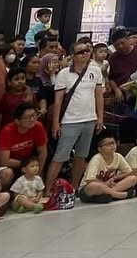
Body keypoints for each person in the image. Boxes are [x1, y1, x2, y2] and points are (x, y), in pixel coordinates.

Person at [45, 42, 104, 193]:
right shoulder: (64, 74)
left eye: (87, 50)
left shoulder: (95, 71)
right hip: (70, 121)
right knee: (60, 156)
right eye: (80, 52)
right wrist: (56, 124)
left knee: (81, 156)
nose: (85, 53)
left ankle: (75, 187)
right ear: (73, 56)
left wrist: (100, 117)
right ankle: (47, 190)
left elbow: (98, 95)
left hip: (89, 119)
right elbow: (58, 101)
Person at [79, 133, 137, 203]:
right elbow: (89, 180)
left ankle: (111, 193)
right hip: (88, 189)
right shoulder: (96, 159)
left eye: (113, 143)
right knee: (95, 186)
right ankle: (117, 195)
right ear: (100, 149)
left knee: (133, 178)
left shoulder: (118, 156)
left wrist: (116, 178)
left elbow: (129, 172)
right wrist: (105, 184)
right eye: (108, 144)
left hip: (110, 186)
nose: (112, 146)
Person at [0, 102, 46, 178]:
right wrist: (27, 165)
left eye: (34, 116)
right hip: (4, 165)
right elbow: (4, 161)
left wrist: (37, 172)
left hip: (26, 163)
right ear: (17, 121)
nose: (32, 119)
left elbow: (43, 153)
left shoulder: (38, 126)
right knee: (7, 173)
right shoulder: (7, 131)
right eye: (27, 117)